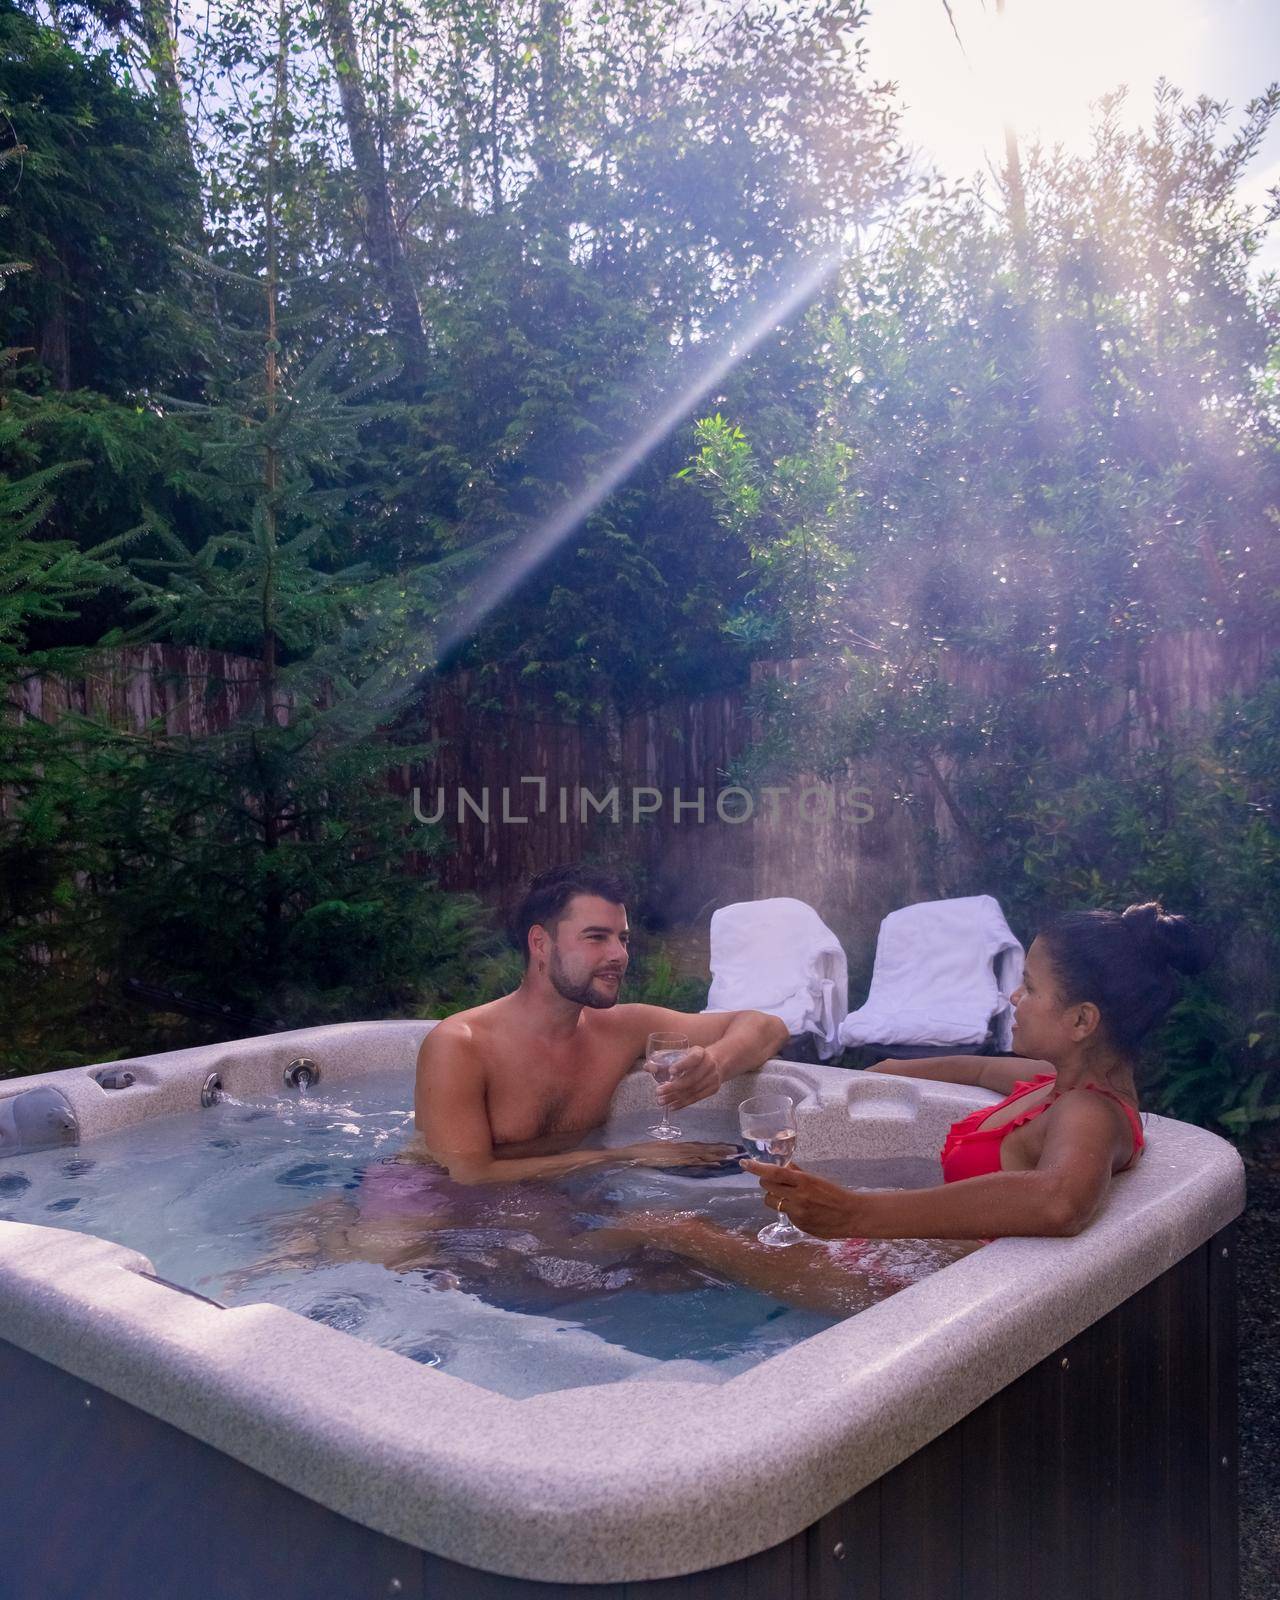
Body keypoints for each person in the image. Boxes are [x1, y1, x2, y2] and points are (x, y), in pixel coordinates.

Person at [741, 901, 1211, 1242]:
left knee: (688, 1234)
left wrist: (853, 1214)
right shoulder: (1058, 1082)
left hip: (919, 1287)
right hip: (910, 1258)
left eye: (1029, 986)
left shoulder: (1089, 1112)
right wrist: (897, 1068)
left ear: (1081, 1021)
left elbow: (1059, 1202)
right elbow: (982, 1069)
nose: (1013, 998)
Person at [409, 862, 790, 1183]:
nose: (619, 954)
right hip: (429, 1208)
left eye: (622, 939)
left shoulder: (620, 1028)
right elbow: (467, 1176)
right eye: (596, 937)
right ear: (540, 943)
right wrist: (625, 1156)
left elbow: (766, 1026)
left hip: (551, 1205)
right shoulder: (461, 1045)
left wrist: (717, 1063)